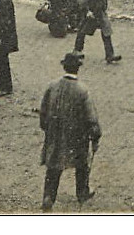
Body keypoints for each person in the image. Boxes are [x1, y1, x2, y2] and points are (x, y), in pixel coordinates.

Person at [39, 53, 100, 211]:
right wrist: (95, 135)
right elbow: (91, 118)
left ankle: (48, 197)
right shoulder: (82, 90)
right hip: (77, 136)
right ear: (78, 68)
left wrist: (46, 127)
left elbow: (43, 110)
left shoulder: (52, 86)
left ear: (64, 66)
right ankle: (82, 192)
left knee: (53, 166)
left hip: (55, 133)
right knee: (82, 164)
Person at [73, 0, 121, 64]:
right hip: (91, 11)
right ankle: (77, 51)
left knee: (106, 31)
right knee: (82, 30)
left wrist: (104, 6)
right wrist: (87, 10)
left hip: (100, 10)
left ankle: (110, 55)